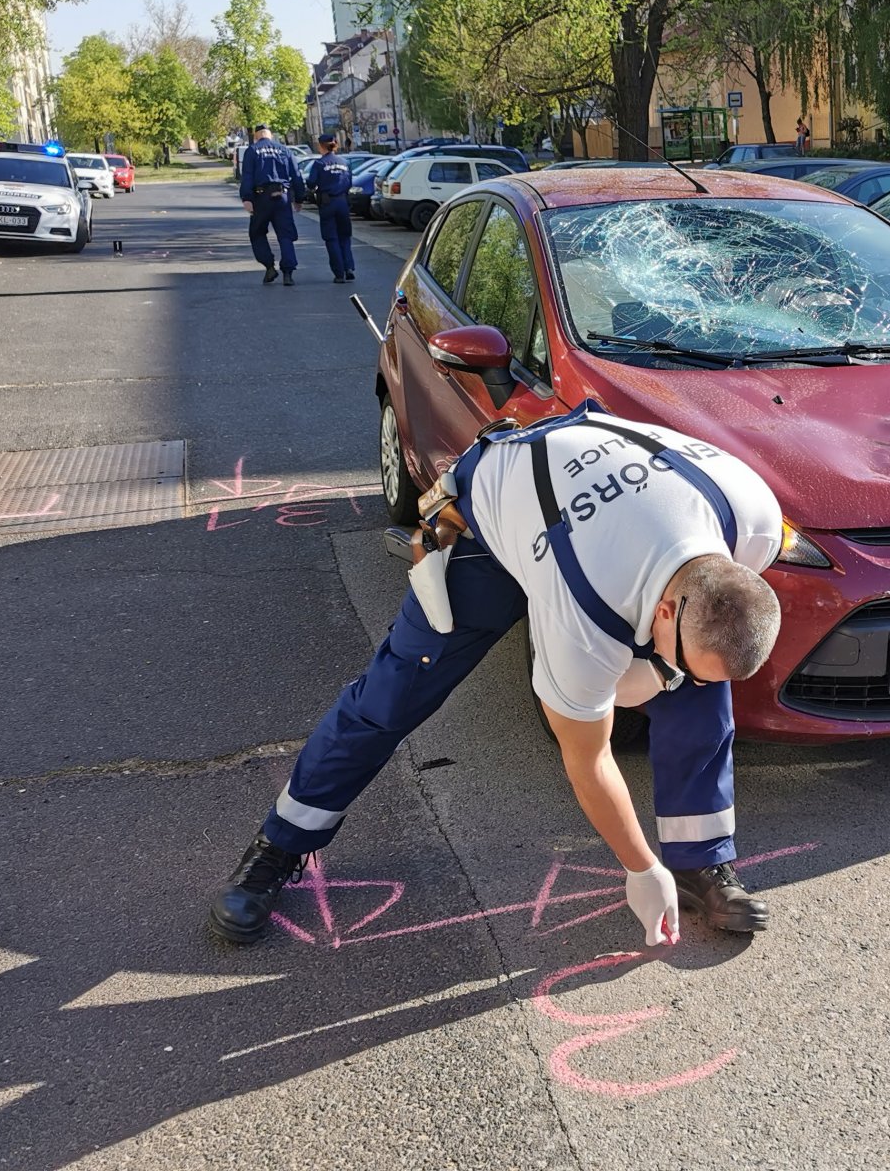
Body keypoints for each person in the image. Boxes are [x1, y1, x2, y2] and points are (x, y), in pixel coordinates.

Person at [207, 401, 785, 948]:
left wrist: (674, 673)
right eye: (675, 646)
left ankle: (699, 858)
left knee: (700, 691)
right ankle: (279, 845)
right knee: (396, 690)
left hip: (586, 516)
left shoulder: (754, 519)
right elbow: (588, 757)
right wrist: (638, 868)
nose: (687, 675)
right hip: (495, 516)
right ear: (664, 610)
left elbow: (708, 632)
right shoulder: (584, 609)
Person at [237, 125, 302, 284]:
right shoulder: (284, 150)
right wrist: (299, 198)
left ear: (257, 135)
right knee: (285, 235)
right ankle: (288, 273)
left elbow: (247, 176)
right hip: (282, 196)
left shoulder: (252, 151)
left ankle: (269, 266)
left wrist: (247, 198)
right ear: (270, 135)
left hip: (261, 198)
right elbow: (296, 175)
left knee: (257, 232)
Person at [304, 133, 357, 284]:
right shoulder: (344, 162)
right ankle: (349, 267)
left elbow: (311, 183)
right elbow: (349, 182)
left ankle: (339, 273)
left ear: (321, 146)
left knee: (331, 238)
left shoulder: (320, 164)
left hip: (327, 203)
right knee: (345, 237)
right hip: (342, 202)